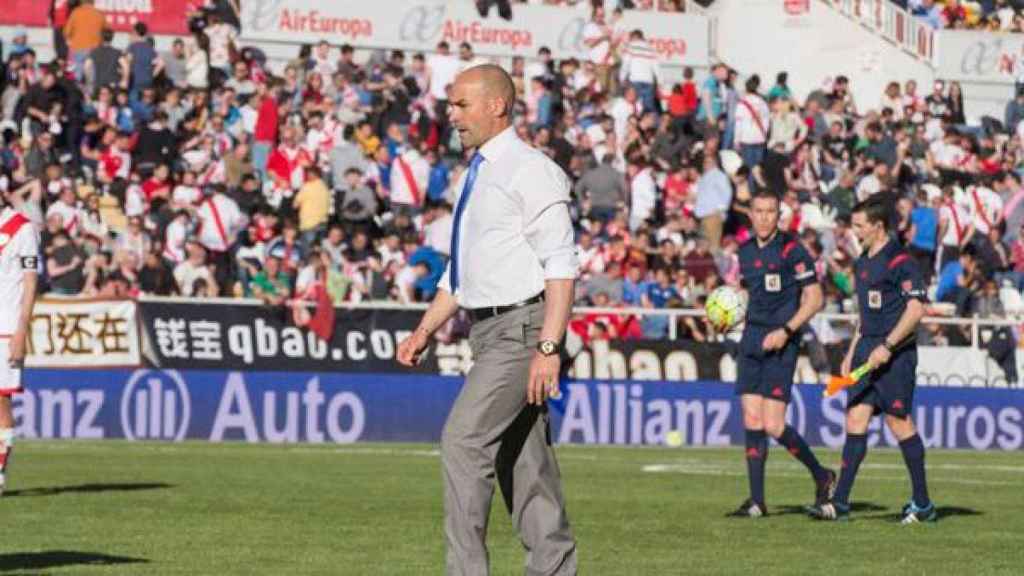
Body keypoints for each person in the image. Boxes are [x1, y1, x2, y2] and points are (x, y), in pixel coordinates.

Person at [396, 64, 578, 575]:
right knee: (522, 460)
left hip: (522, 331)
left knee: (463, 441)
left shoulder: (529, 169)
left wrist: (548, 349)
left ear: (497, 105)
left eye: (460, 105)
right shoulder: (478, 174)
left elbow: (561, 265)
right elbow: (463, 269)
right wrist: (425, 329)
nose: (451, 115)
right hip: (491, 330)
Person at [809, 196, 936, 523]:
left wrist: (888, 346)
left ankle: (922, 504)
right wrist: (853, 352)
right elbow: (865, 315)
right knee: (855, 420)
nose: (855, 231)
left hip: (896, 355)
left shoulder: (901, 261)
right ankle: (840, 502)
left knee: (899, 423)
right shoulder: (863, 261)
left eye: (860, 226)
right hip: (867, 350)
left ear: (878, 227)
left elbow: (916, 309)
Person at [728, 190, 834, 518]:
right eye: (758, 211)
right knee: (751, 419)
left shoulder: (792, 249)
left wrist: (787, 330)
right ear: (751, 215)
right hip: (751, 338)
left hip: (782, 341)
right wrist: (728, 315)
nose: (763, 217)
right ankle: (757, 501)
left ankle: (822, 475)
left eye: (769, 211)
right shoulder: (744, 252)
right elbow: (745, 294)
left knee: (773, 425)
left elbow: (815, 299)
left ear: (778, 215)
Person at [0, 198, 40, 496]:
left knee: (0, 402)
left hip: (6, 328)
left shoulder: (22, 228)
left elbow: (29, 282)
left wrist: (22, 329)